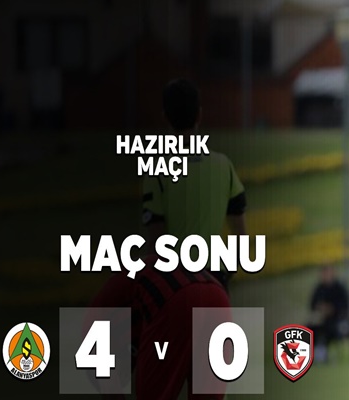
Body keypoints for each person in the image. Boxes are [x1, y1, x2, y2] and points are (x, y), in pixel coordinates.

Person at [91, 78, 247, 399]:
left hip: (170, 289)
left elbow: (156, 240)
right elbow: (240, 235)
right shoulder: (224, 165)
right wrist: (224, 274)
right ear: (200, 114)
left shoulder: (157, 170)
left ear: (165, 117)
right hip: (215, 286)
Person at [308, 266, 349, 363]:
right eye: (324, 273)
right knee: (309, 329)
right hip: (320, 320)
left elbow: (344, 306)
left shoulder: (339, 288)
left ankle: (322, 353)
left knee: (328, 329)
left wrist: (331, 309)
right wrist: (320, 307)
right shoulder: (319, 288)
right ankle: (310, 353)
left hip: (337, 321)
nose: (326, 276)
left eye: (328, 273)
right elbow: (312, 304)